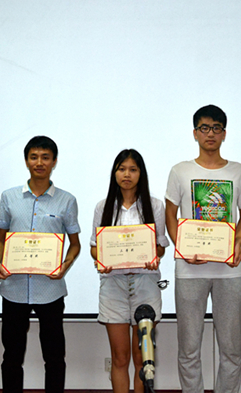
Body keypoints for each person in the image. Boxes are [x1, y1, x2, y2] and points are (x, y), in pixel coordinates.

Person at [165, 104, 241, 393]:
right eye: (204, 128)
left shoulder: (239, 171)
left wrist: (237, 243)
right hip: (190, 269)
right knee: (189, 348)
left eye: (216, 128)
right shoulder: (180, 171)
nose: (210, 133)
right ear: (195, 133)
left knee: (231, 349)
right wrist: (182, 247)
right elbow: (170, 214)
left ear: (224, 133)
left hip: (229, 270)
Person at [0, 136, 81, 393]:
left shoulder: (67, 200)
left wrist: (65, 265)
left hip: (50, 290)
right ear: (26, 160)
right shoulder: (9, 197)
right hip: (14, 288)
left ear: (54, 161)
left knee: (54, 357)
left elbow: (75, 244)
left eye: (45, 157)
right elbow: (0, 239)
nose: (39, 162)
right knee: (11, 356)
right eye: (34, 157)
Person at [90, 149, 169, 393]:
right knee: (120, 357)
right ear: (114, 173)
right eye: (122, 169)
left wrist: (154, 256)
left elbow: (160, 246)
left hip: (145, 285)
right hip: (113, 286)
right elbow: (94, 247)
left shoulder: (155, 206)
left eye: (133, 169)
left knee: (142, 359)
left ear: (141, 174)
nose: (127, 174)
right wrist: (102, 258)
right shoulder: (103, 206)